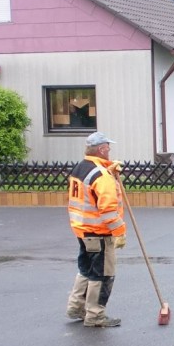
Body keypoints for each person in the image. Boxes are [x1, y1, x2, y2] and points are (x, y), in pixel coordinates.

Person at [66, 131, 126, 327]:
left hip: (82, 230)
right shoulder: (101, 176)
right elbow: (107, 209)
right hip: (99, 232)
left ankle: (76, 307)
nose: (109, 150)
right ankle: (95, 315)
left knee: (86, 270)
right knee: (102, 274)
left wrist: (111, 171)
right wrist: (119, 232)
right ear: (101, 149)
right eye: (108, 147)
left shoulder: (81, 168)